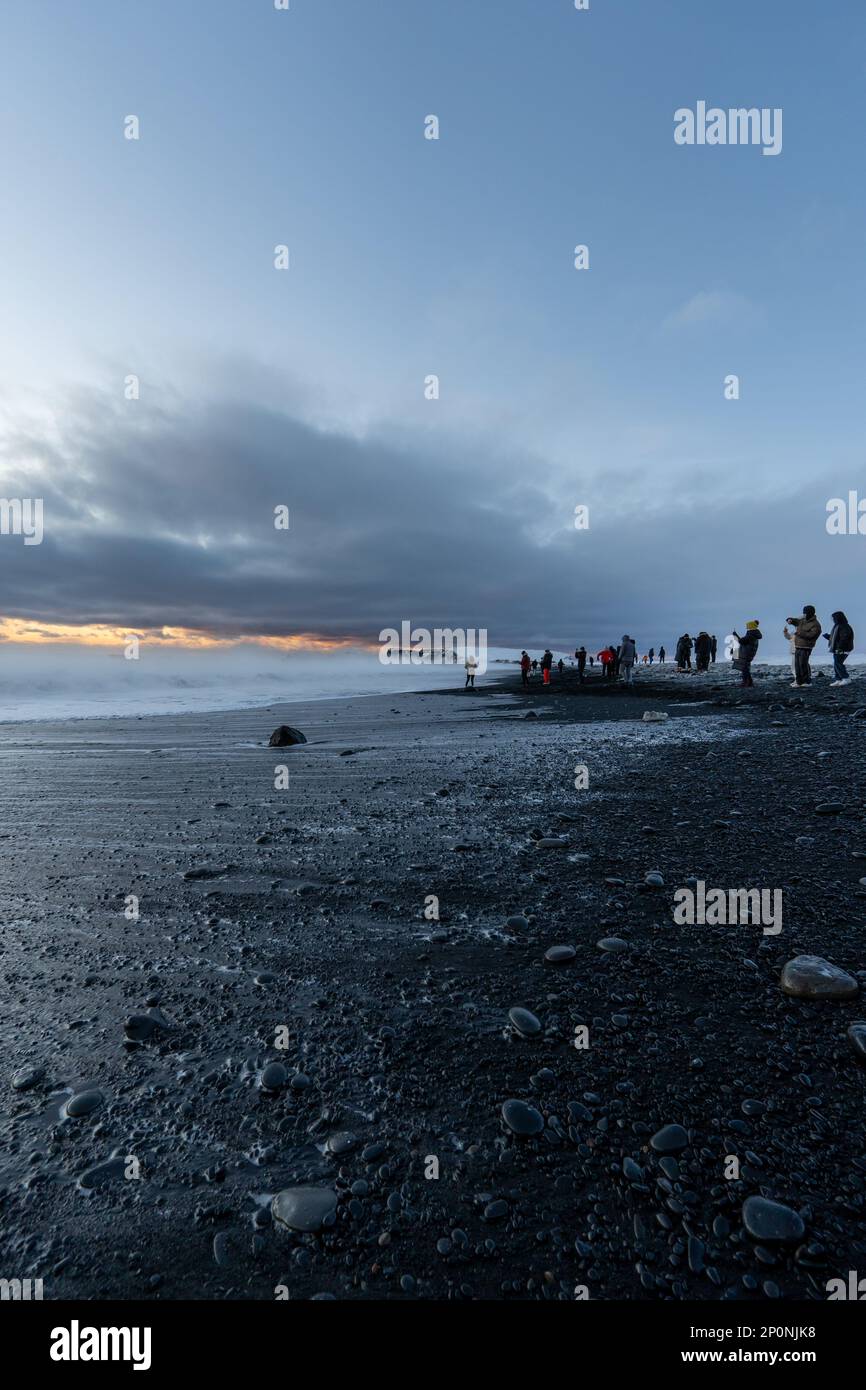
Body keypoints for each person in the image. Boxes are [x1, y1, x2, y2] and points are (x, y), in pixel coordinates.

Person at [787, 605, 821, 688]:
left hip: (806, 647)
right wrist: (790, 620)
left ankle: (807, 681)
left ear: (810, 613)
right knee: (797, 664)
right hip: (798, 645)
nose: (804, 614)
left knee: (803, 664)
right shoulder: (803, 620)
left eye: (805, 613)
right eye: (804, 613)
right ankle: (799, 682)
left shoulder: (815, 624)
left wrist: (799, 633)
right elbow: (796, 621)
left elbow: (812, 635)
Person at [825, 611, 854, 686]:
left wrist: (840, 648)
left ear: (838, 618)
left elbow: (844, 638)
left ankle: (846, 678)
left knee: (838, 662)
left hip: (843, 649)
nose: (832, 620)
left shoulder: (844, 626)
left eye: (833, 618)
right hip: (838, 648)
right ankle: (838, 679)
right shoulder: (837, 626)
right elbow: (837, 638)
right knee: (836, 663)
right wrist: (828, 637)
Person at [731, 619, 761, 687]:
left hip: (746, 653)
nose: (747, 627)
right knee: (745, 668)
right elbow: (743, 641)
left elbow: (741, 641)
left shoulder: (751, 635)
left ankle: (745, 683)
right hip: (750, 653)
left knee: (744, 668)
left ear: (751, 626)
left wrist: (735, 635)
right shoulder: (754, 634)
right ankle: (749, 682)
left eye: (748, 626)